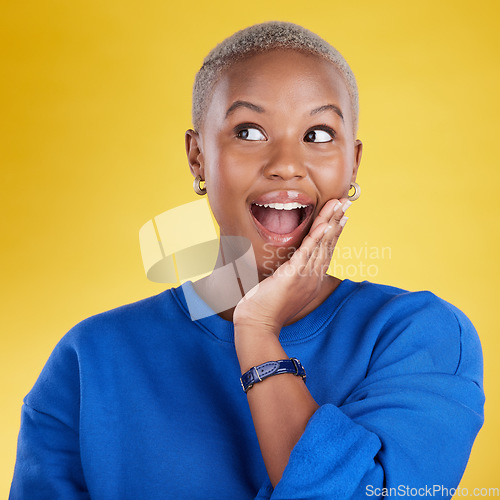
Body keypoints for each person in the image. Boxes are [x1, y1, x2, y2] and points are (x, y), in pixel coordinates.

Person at [9, 21, 484, 499]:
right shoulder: (91, 361)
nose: (285, 163)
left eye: (318, 134)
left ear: (353, 163)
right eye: (249, 130)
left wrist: (257, 331)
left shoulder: (421, 339)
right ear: (198, 157)